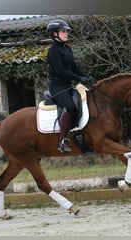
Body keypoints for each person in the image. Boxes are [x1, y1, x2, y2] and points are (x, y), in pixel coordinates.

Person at [47, 19, 93, 153]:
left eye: (66, 31)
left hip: (67, 85)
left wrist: (87, 77)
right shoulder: (53, 51)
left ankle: (79, 135)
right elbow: (60, 71)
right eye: (63, 31)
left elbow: (74, 68)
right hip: (57, 86)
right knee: (70, 106)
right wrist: (79, 78)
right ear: (55, 34)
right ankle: (62, 139)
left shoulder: (67, 48)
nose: (66, 33)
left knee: (83, 103)